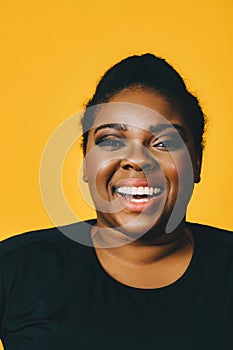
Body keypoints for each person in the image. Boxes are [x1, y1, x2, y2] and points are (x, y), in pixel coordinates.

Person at [0, 53, 233, 350]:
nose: (136, 161)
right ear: (86, 162)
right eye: (111, 140)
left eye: (163, 143)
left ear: (196, 163)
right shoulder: (16, 269)